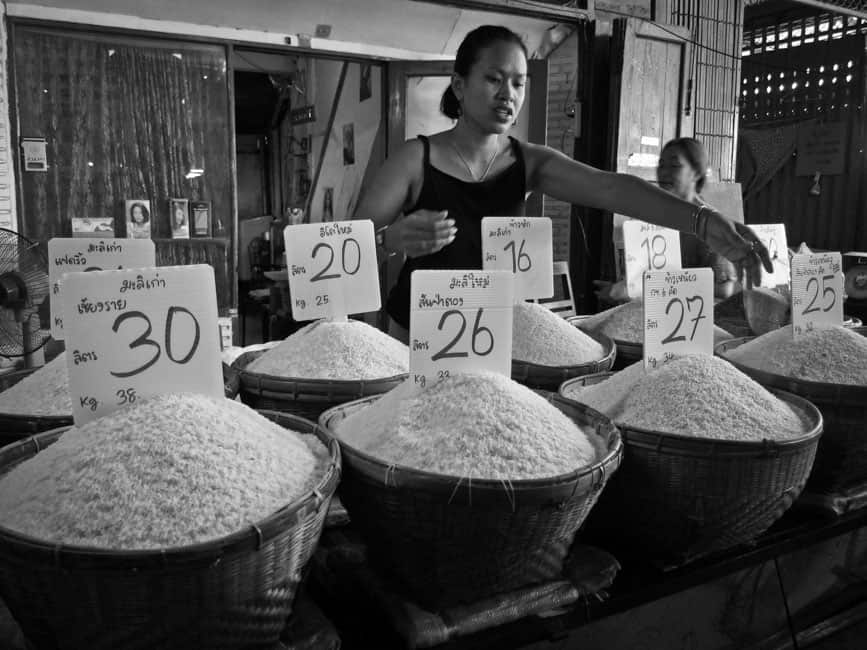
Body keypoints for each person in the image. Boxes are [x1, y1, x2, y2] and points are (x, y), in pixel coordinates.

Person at [354, 25, 771, 342]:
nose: (508, 95)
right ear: (460, 86)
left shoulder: (529, 162)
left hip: (492, 337)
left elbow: (613, 188)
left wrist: (703, 219)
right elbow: (346, 247)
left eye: (518, 83)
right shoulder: (414, 159)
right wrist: (391, 239)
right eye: (494, 79)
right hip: (415, 332)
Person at [596, 137, 741, 304]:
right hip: (652, 317)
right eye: (661, 165)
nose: (664, 172)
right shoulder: (650, 219)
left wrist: (647, 289)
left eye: (675, 166)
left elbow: (724, 289)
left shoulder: (709, 223)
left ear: (697, 172)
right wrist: (623, 288)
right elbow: (639, 279)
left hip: (696, 321)